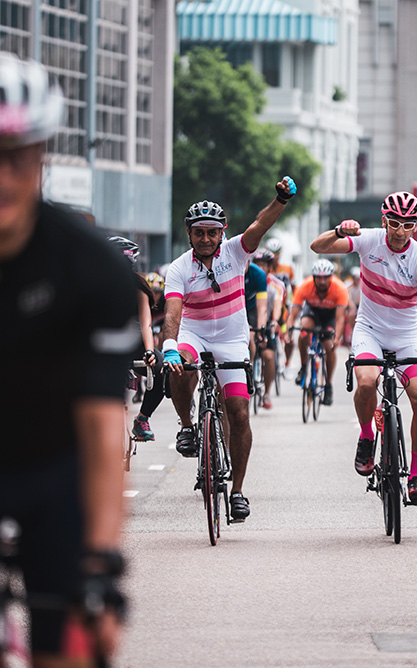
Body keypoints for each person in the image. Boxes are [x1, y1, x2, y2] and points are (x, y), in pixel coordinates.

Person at [0, 54, 132, 664]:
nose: (2, 177)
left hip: (57, 466)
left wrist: (100, 565)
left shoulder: (91, 267)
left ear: (44, 154)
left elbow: (103, 425)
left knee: (73, 642)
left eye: (18, 156)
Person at [163, 176, 298, 523]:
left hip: (231, 340)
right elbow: (173, 315)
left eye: (212, 232)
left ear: (222, 232)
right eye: (198, 233)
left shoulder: (237, 251)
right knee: (179, 362)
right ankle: (186, 425)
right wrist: (169, 347)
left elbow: (260, 224)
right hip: (194, 333)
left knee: (238, 413)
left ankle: (237, 491)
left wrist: (280, 200)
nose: (205, 239)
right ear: (189, 233)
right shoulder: (179, 269)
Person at [310, 191, 417, 504]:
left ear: (416, 225)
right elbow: (318, 247)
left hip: (407, 334)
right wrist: (339, 232)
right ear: (384, 220)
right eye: (394, 223)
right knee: (367, 382)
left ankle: (416, 476)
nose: (399, 231)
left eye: (407, 225)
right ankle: (367, 436)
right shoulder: (369, 240)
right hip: (370, 330)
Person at [108, 236, 165, 442]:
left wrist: (150, 351)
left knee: (162, 370)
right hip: (105, 344)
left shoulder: (139, 285)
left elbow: (146, 322)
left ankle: (142, 419)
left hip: (134, 344)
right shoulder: (94, 281)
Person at [287, 259, 348, 405]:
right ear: (313, 277)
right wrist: (289, 330)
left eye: (325, 278)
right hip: (312, 312)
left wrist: (337, 338)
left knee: (329, 346)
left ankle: (328, 385)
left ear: (331, 277)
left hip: (330, 316)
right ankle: (303, 366)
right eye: (318, 278)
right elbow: (294, 314)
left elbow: (340, 319)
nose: (322, 281)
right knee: (304, 329)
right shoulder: (305, 286)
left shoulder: (340, 289)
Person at [253, 249, 283, 408]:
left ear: (270, 267)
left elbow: (277, 306)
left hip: (268, 322)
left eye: (263, 265)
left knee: (269, 356)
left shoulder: (276, 286)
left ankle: (267, 393)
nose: (260, 268)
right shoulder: (246, 279)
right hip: (250, 321)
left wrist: (275, 321)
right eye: (257, 264)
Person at [266, 237, 298, 379]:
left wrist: (295, 307)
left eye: (277, 252)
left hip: (283, 310)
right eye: (272, 252)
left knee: (289, 339)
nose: (274, 256)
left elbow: (295, 289)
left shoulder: (287, 269)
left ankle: (287, 363)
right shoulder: (263, 268)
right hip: (267, 308)